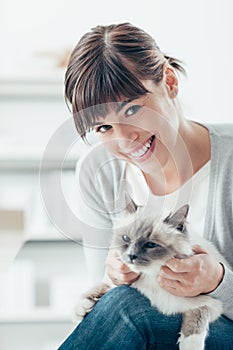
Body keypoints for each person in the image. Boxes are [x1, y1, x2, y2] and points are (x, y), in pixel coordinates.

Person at [58, 23, 233, 349]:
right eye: (104, 126)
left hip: (217, 329)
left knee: (127, 307)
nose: (124, 139)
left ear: (169, 82)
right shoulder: (99, 171)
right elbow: (101, 310)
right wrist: (111, 277)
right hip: (149, 331)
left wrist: (218, 282)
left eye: (133, 110)